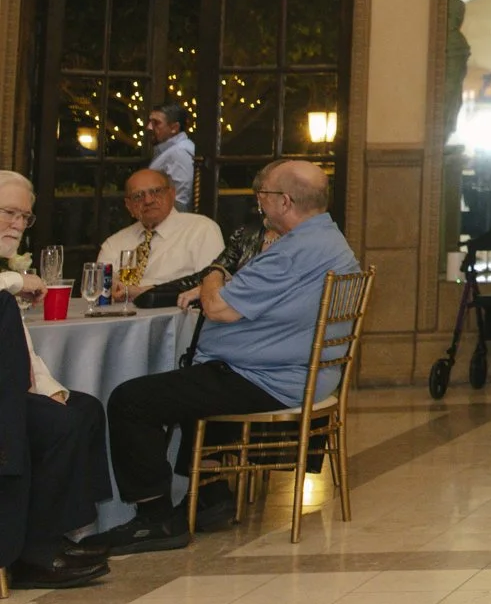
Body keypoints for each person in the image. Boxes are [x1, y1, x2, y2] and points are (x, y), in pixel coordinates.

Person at [93, 160, 359, 553]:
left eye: (263, 195)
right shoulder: (325, 239)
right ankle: (209, 492)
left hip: (268, 378)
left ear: (284, 201)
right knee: (192, 376)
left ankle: (154, 519)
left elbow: (216, 308)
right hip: (293, 371)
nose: (259, 204)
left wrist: (215, 271)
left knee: (130, 400)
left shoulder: (292, 250)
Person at [0, 172, 111, 588]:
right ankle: (31, 552)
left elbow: (23, 350)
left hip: (7, 391)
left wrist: (50, 390)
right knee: (57, 424)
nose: (17, 223)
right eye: (9, 213)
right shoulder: (10, 278)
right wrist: (14, 281)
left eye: (24, 217)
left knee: (82, 409)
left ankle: (52, 535)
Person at [95, 169, 224, 306]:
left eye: (156, 192)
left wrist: (145, 292)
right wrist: (114, 286)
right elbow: (98, 285)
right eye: (138, 196)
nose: (148, 200)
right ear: (128, 205)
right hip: (121, 322)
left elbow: (212, 286)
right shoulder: (115, 242)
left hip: (176, 321)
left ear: (172, 194)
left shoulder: (201, 229)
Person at [145, 103, 197, 211]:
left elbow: (180, 202)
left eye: (156, 123)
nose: (149, 127)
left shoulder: (179, 153)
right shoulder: (171, 150)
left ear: (174, 128)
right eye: (150, 122)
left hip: (170, 223)